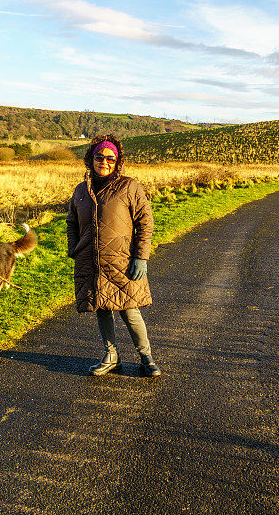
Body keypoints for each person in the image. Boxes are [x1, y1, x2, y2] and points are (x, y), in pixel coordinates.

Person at [66, 134, 161, 377]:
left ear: (117, 161)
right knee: (101, 308)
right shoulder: (80, 191)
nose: (104, 162)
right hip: (91, 259)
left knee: (130, 310)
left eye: (110, 158)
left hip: (123, 261)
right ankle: (111, 356)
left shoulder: (130, 186)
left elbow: (145, 222)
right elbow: (71, 223)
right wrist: (74, 248)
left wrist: (141, 257)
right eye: (99, 156)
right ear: (91, 159)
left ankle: (146, 357)